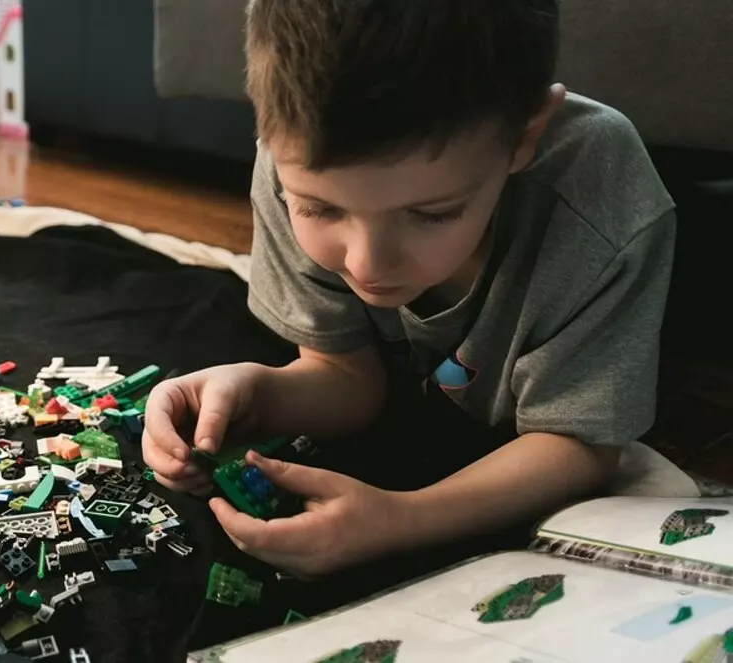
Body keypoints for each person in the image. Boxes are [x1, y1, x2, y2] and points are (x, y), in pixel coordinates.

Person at [141, 0, 676, 579]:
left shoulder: (599, 202)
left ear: (526, 136)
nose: (369, 264)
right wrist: (257, 394)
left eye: (432, 214)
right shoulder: (291, 146)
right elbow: (347, 380)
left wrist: (403, 519)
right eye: (320, 208)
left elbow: (581, 444)